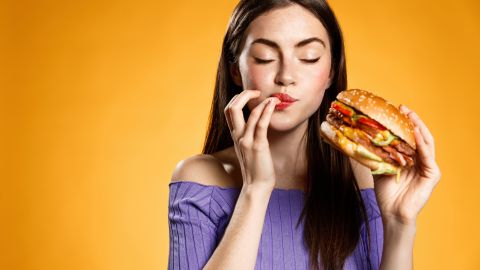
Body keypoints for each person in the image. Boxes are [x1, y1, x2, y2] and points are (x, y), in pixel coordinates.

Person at [167, 0, 441, 269]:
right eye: (265, 58)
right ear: (235, 70)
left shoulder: (367, 177)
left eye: (309, 57)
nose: (286, 76)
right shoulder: (200, 178)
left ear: (332, 70)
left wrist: (399, 222)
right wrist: (256, 189)